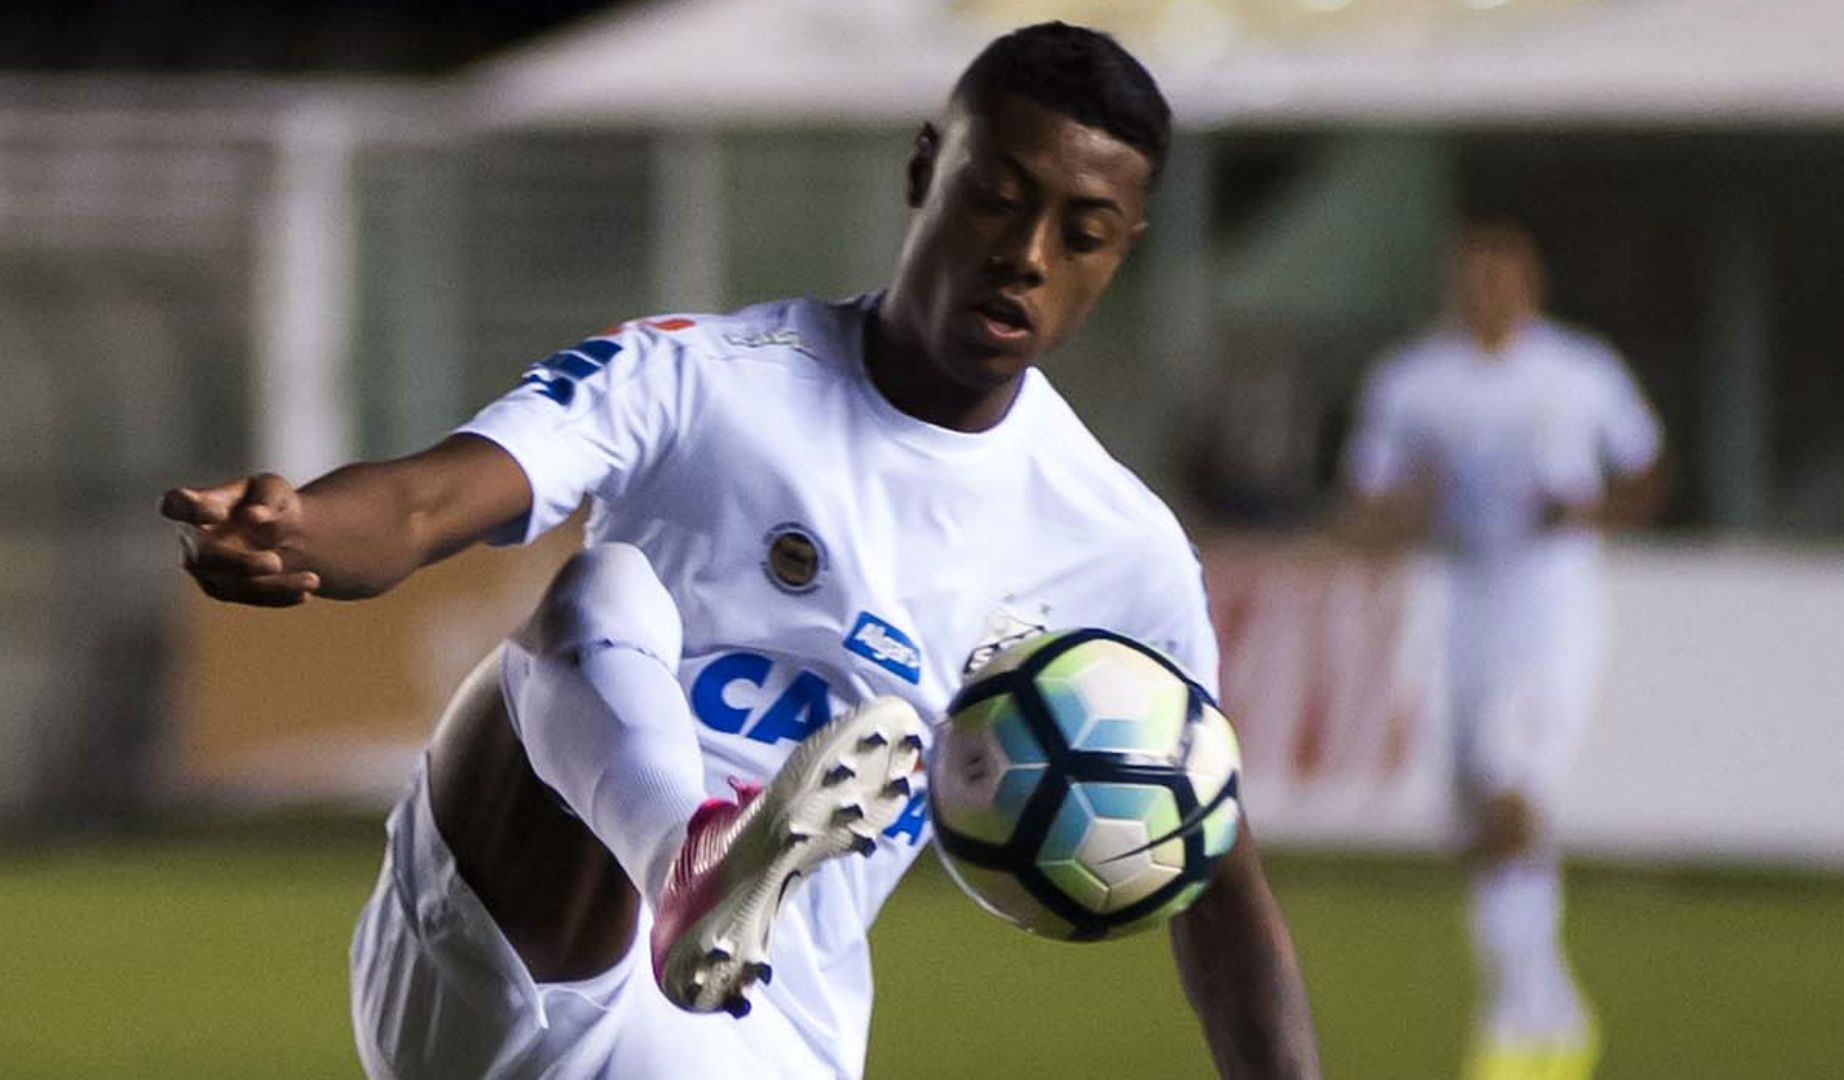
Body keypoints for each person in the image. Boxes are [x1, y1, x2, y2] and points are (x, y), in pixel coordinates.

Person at [163, 23, 1320, 1080]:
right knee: (600, 591)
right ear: (928, 170)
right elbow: (423, 506)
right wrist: (300, 531)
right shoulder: (700, 379)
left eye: (1083, 234)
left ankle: (706, 891)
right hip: (510, 957)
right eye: (997, 197)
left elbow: (1209, 861)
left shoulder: (1115, 547)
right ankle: (686, 858)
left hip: (757, 1036)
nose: (1027, 254)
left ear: (1123, 252)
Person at [1342, 220, 1665, 1080]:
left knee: (1514, 791)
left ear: (1532, 285)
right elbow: (1367, 505)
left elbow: (1646, 472)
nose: (1488, 292)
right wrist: (1414, 505)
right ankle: (1552, 1007)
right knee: (1475, 815)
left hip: (1552, 603)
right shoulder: (1415, 384)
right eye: (1473, 278)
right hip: (1464, 603)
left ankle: (1519, 1027)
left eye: (1504, 277)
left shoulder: (1578, 372)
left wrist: (1585, 511)